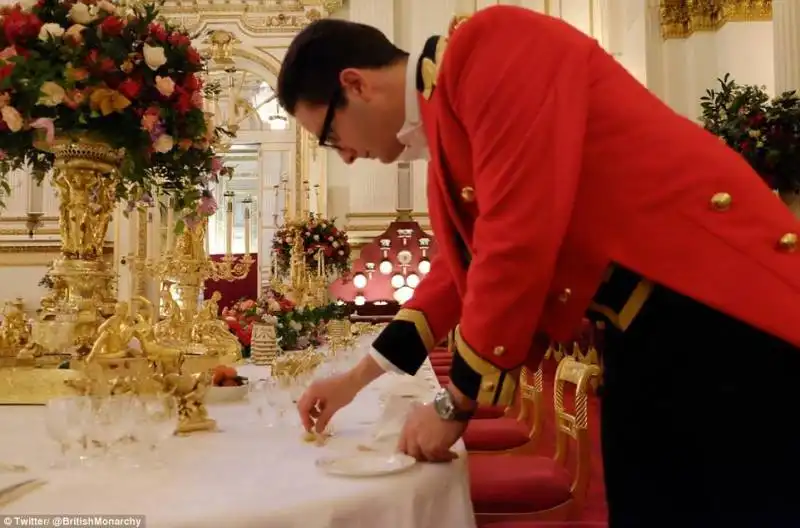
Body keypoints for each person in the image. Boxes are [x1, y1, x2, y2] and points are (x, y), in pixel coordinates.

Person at [278, 5, 800, 526]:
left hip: (719, 307)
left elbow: (514, 237)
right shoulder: (449, 124)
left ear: (356, 84)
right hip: (650, 328)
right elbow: (460, 276)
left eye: (329, 136)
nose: (342, 156)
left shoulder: (488, 46)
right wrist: (354, 379)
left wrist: (453, 404)